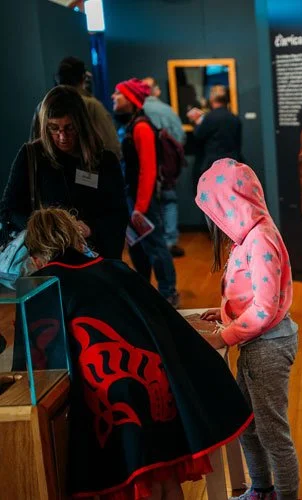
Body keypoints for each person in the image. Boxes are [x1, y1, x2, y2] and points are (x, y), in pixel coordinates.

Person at [24, 207, 253, 500]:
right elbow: (162, 320)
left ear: (35, 257)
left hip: (110, 395)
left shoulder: (41, 287)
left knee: (142, 484)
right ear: (76, 236)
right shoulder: (115, 269)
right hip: (157, 383)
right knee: (166, 477)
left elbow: (41, 364)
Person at [195, 159, 299, 500]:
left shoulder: (260, 239)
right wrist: (226, 312)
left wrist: (224, 336)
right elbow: (253, 296)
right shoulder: (249, 236)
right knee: (247, 424)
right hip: (257, 345)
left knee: (272, 433)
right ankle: (262, 489)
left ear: (230, 205)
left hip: (268, 347)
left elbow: (266, 309)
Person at [1, 85, 127, 259]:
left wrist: (91, 228)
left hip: (94, 259)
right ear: (45, 126)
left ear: (81, 125)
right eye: (54, 128)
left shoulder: (105, 161)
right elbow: (9, 210)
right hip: (47, 259)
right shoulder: (32, 156)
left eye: (70, 128)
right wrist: (44, 228)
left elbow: (118, 214)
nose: (62, 137)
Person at [113, 78, 179, 306]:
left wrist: (140, 207)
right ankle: (146, 292)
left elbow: (148, 169)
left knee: (155, 246)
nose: (113, 96)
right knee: (139, 247)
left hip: (143, 200)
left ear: (131, 98)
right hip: (134, 198)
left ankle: (168, 292)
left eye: (119, 93)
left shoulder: (141, 127)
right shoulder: (132, 124)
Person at [31, 56, 121, 159]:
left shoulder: (42, 107)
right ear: (83, 78)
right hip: (87, 166)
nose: (63, 137)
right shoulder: (92, 105)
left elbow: (35, 146)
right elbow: (111, 146)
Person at [142, 76, 188, 258]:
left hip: (143, 167)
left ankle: (153, 243)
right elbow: (180, 137)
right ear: (157, 90)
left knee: (147, 205)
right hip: (166, 167)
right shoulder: (166, 110)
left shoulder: (138, 110)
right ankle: (169, 241)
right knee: (169, 201)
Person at [187, 85, 243, 186]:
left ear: (212, 99)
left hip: (213, 165)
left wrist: (197, 122)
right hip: (232, 164)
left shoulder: (210, 118)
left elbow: (198, 135)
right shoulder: (234, 118)